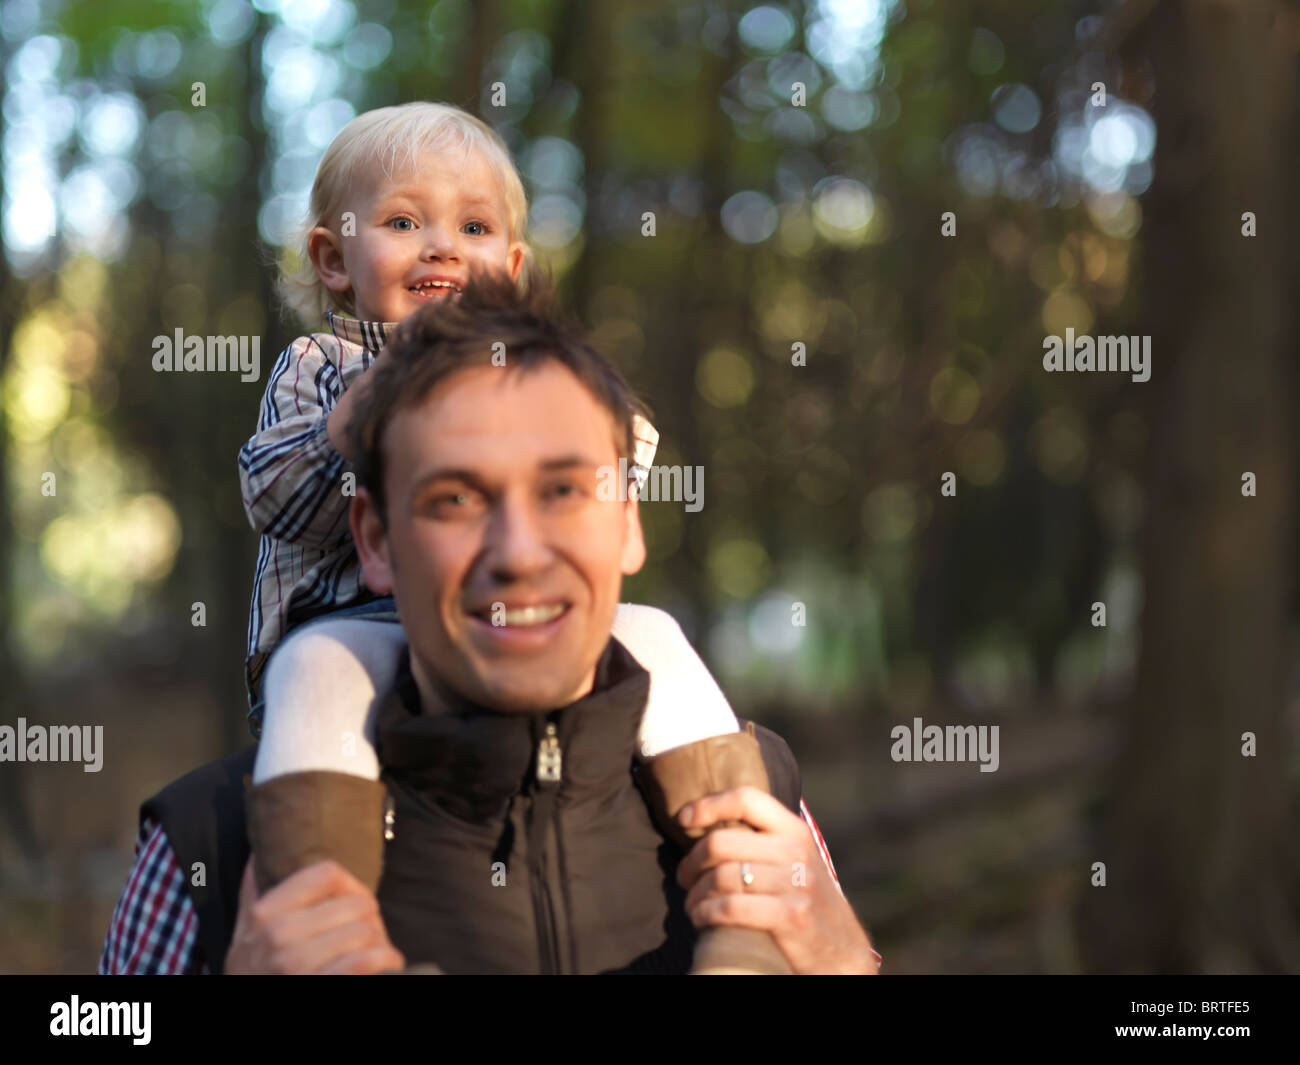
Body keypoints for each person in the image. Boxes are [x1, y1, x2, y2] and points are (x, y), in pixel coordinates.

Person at [99, 274, 881, 974]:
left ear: (628, 523)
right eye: (456, 500)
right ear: (375, 539)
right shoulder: (210, 844)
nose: (517, 553)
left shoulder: (764, 815)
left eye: (565, 491)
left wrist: (846, 961)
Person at [233, 102, 763, 914]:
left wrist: (549, 399)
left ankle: (742, 865)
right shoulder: (322, 365)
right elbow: (271, 498)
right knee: (315, 667)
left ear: (512, 269)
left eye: (474, 228)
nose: (441, 244)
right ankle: (320, 915)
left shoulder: (528, 369)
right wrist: (372, 405)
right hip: (348, 637)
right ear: (334, 259)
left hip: (510, 625)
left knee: (652, 631)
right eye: (404, 220)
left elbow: (627, 456)